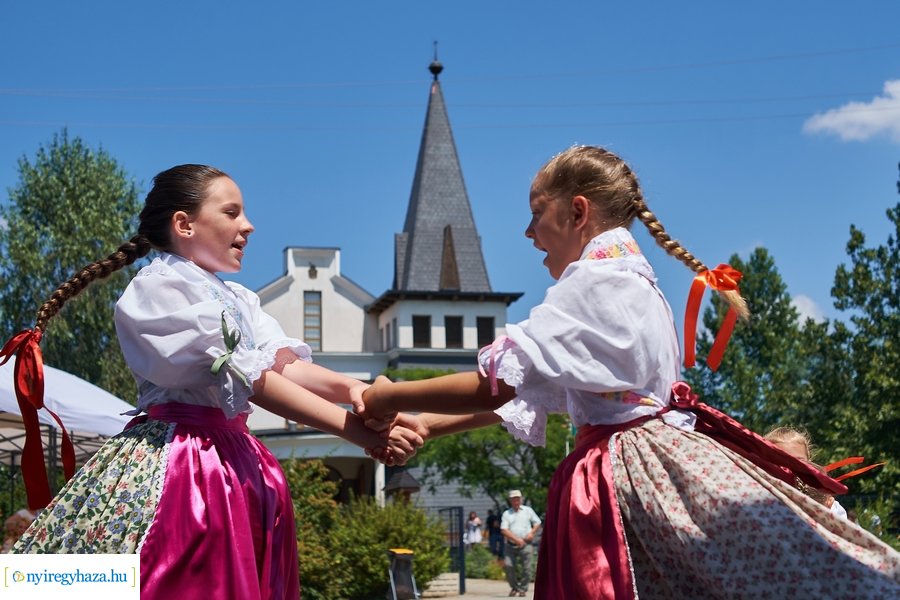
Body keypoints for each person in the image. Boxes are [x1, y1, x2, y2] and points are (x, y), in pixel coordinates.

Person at [358, 145, 900, 598]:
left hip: (619, 473)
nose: (528, 232)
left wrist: (389, 398)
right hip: (654, 458)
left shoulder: (596, 284)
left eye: (536, 213)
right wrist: (428, 422)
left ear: (577, 212)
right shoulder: (629, 281)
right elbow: (532, 391)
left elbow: (499, 382)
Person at [4, 164, 422, 599]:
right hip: (185, 464)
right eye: (232, 212)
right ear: (184, 224)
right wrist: (354, 429)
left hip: (234, 459)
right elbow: (247, 376)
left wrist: (356, 391)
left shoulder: (240, 299)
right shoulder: (160, 286)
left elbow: (278, 365)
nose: (249, 225)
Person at [764, 426, 849, 519]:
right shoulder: (762, 493)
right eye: (781, 463)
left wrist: (826, 511)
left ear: (809, 461)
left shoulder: (822, 497)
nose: (789, 469)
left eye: (798, 462)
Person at [500, 490, 541, 597]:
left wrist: (532, 532)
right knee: (508, 565)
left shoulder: (528, 510)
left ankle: (523, 588)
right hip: (511, 544)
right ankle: (514, 587)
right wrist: (516, 539)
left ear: (521, 499)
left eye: (518, 498)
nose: (516, 500)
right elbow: (504, 529)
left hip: (526, 543)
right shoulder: (506, 514)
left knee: (527, 568)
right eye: (514, 499)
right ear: (510, 500)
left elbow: (537, 522)